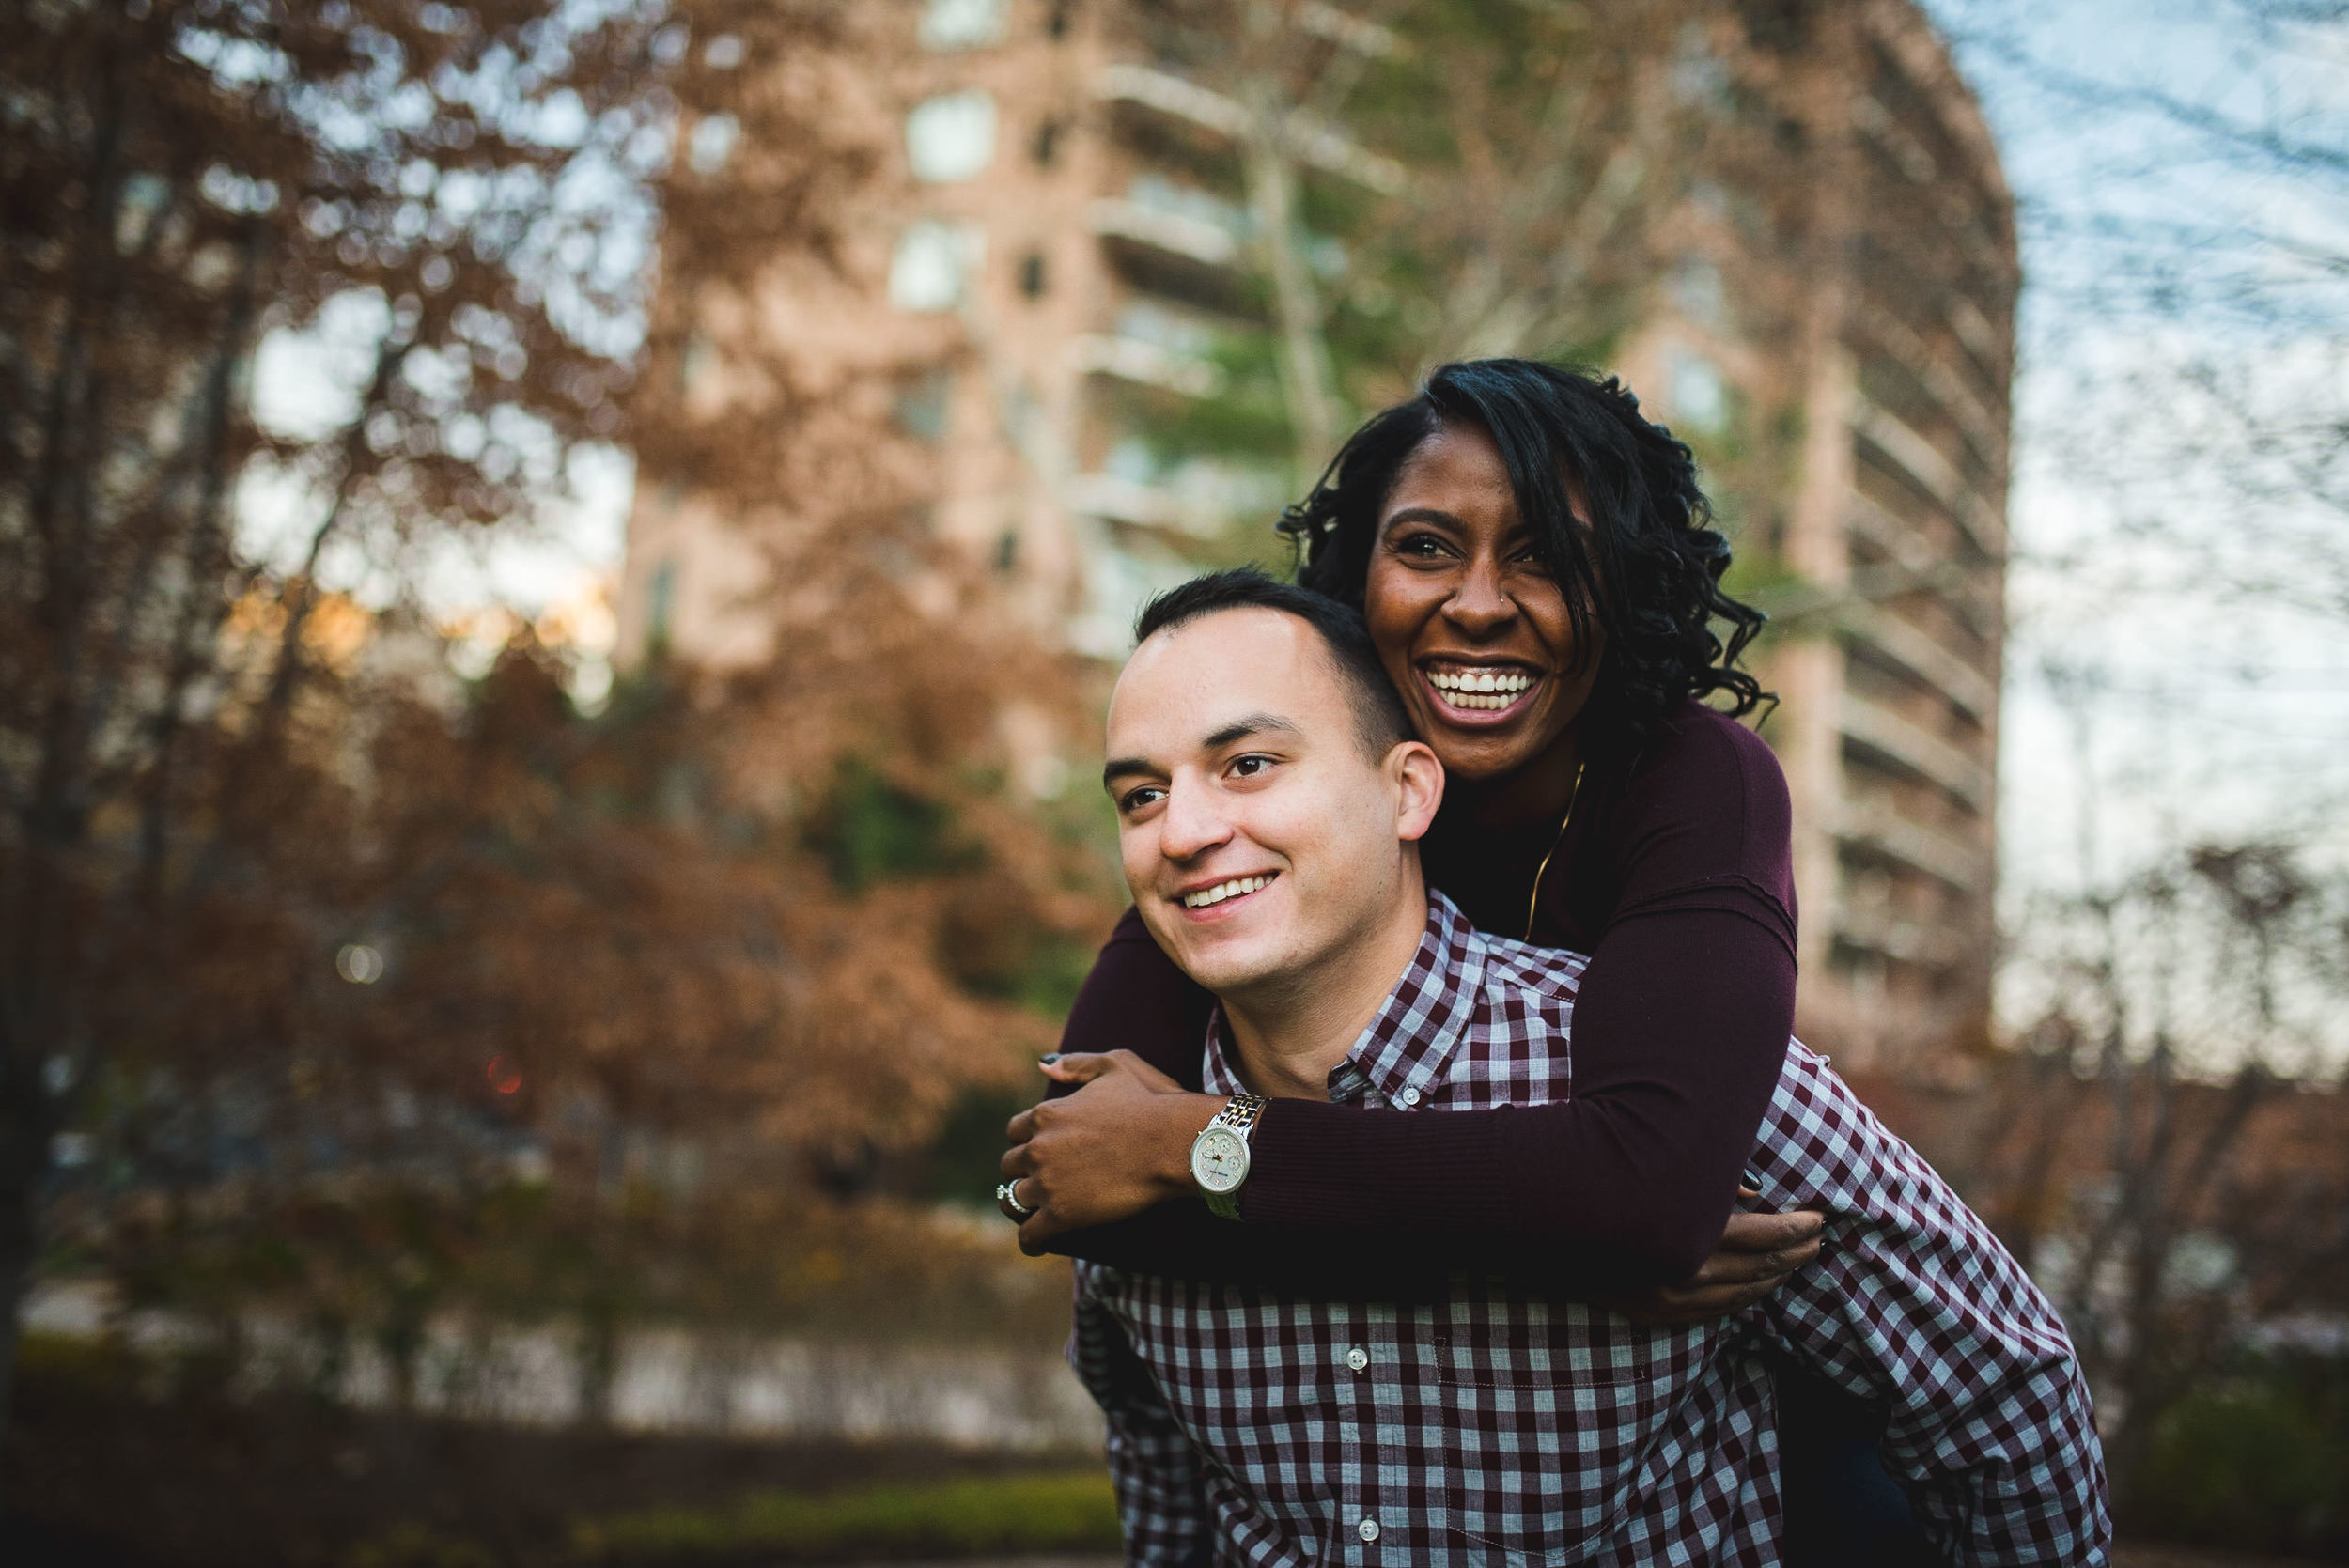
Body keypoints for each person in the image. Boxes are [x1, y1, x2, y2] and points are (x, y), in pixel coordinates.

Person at [1001, 361, 1907, 1554]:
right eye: (1426, 547)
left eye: (1541, 554)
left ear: (1618, 587)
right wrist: (1554, 1252)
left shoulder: (1696, 785)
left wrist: (1195, 1145)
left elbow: (1646, 1195)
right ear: (1358, 578)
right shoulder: (1260, 832)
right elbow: (1072, 1181)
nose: (1478, 603)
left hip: (1756, 1429)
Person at [1066, 569, 2108, 1564]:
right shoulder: (1114, 1145)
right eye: (1141, 795)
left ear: (1408, 791)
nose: (1186, 832)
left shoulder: (1677, 1088)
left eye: (1248, 764)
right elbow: (1163, 1471)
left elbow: (2001, 1396)